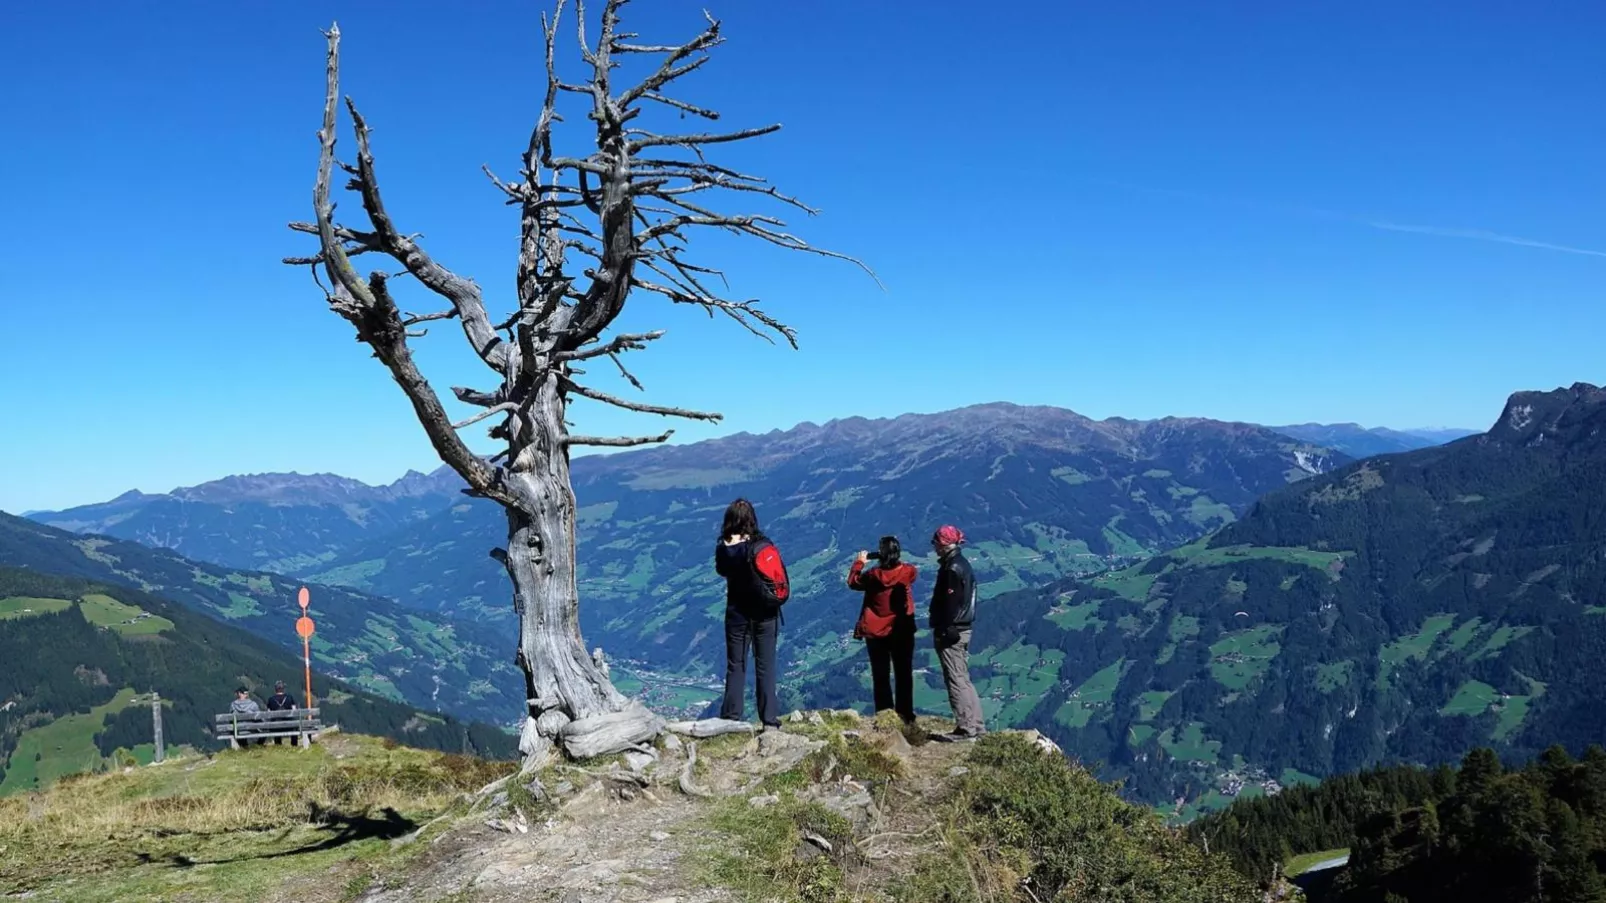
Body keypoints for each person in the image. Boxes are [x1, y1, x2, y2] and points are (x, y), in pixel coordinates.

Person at [713, 498, 788, 730]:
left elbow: (721, 570)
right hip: (765, 614)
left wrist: (730, 542)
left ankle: (731, 718)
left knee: (736, 666)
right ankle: (769, 721)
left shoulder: (724, 549)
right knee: (765, 666)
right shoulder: (760, 545)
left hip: (736, 615)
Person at [849, 536, 918, 725]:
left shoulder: (873, 575)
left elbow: (853, 582)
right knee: (904, 673)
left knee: (881, 675)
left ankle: (885, 715)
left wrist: (859, 562)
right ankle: (906, 715)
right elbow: (912, 573)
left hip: (877, 632)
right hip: (902, 630)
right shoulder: (908, 572)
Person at [929, 525, 985, 740]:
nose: (933, 546)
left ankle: (966, 728)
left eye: (935, 542)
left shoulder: (952, 568)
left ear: (943, 544)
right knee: (963, 678)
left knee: (955, 679)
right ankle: (977, 726)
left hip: (952, 630)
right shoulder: (962, 564)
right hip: (963, 628)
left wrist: (945, 627)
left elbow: (950, 603)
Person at [265, 680, 298, 745]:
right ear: (283, 689)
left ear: (275, 689)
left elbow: (268, 714)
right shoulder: (289, 697)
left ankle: (278, 745)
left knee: (275, 722)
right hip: (289, 726)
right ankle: (294, 745)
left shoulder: (271, 699)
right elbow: (294, 711)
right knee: (295, 726)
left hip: (275, 726)